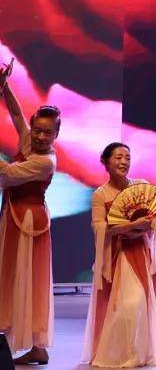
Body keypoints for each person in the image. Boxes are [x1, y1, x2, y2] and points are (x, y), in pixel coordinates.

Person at [81, 142, 156, 367]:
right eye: (118, 157)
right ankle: (119, 353)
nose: (123, 162)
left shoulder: (141, 186)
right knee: (123, 306)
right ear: (105, 162)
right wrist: (130, 226)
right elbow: (100, 227)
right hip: (117, 255)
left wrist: (147, 225)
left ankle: (137, 352)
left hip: (140, 253)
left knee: (138, 303)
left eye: (127, 158)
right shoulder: (100, 195)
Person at [0, 60, 58, 365]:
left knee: (25, 278)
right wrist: (5, 86)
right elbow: (17, 115)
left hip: (28, 222)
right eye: (37, 130)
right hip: (15, 215)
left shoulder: (45, 162)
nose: (39, 137)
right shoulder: (30, 144)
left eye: (47, 133)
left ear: (55, 135)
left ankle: (34, 343)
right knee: (14, 275)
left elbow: (7, 174)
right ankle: (32, 346)